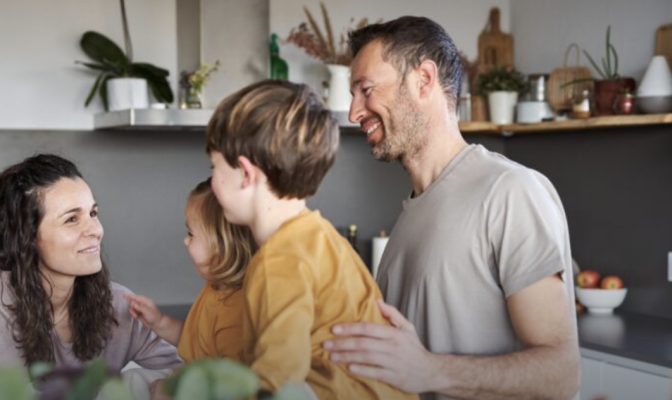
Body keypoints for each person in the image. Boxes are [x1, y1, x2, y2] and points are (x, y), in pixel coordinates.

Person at [324, 16, 580, 400]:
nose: (354, 112)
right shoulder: (410, 215)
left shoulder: (510, 191)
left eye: (366, 89)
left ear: (424, 79)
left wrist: (429, 370)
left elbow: (561, 374)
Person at [205, 79, 418, 400]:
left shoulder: (280, 259)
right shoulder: (319, 237)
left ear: (246, 174)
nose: (211, 180)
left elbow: (275, 383)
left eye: (214, 167)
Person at [0, 154, 181, 400]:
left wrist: (139, 384)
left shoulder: (118, 304)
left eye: (93, 213)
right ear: (27, 237)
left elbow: (193, 376)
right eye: (72, 219)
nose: (96, 230)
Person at [124, 179, 257, 399]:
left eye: (191, 234)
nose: (186, 241)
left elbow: (231, 388)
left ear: (221, 249)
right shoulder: (215, 290)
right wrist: (159, 321)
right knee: (130, 378)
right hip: (195, 374)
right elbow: (196, 340)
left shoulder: (238, 314)